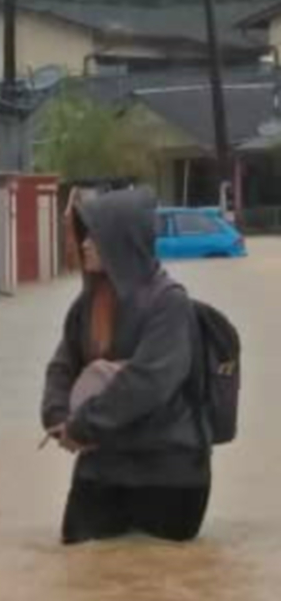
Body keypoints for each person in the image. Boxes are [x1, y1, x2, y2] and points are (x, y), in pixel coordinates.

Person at [42, 187, 210, 545]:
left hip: (167, 473)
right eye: (83, 235)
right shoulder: (86, 305)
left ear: (123, 242)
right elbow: (62, 366)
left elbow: (146, 384)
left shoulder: (169, 305)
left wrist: (82, 426)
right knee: (77, 569)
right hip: (102, 466)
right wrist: (57, 418)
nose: (85, 245)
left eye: (95, 237)